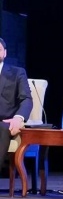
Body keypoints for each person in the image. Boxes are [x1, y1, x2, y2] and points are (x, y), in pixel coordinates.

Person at [0, 37, 33, 174]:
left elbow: (26, 99)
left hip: (5, 121)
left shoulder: (17, 73)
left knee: (1, 128)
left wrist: (18, 118)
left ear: (5, 52)